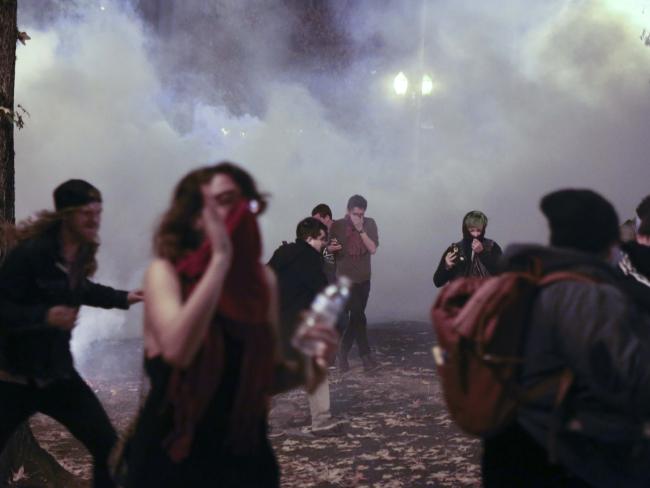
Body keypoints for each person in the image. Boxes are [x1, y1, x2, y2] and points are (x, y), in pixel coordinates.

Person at [125, 162, 337, 487]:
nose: (241, 215)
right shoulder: (167, 274)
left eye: (247, 205)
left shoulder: (258, 278)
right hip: (180, 456)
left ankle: (318, 419)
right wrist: (221, 261)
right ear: (193, 214)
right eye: (224, 203)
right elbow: (177, 351)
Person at [482, 189, 650, 488]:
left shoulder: (524, 281)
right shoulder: (588, 296)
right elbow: (628, 380)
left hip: (507, 446)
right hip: (559, 456)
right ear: (607, 243)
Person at [0, 179, 143, 488]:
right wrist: (45, 316)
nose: (94, 220)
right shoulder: (28, 255)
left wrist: (123, 298)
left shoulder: (76, 253)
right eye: (85, 213)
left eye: (98, 212)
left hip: (57, 375)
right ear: (65, 216)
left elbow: (81, 289)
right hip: (13, 378)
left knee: (110, 451)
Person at [268, 217, 343, 435]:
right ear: (309, 238)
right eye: (321, 240)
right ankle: (321, 422)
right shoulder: (310, 259)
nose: (323, 244)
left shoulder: (283, 253)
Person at [329, 194, 379, 373]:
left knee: (356, 318)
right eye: (356, 214)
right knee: (358, 314)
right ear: (348, 211)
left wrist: (361, 229)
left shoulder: (370, 224)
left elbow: (372, 249)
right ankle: (365, 355)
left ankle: (342, 353)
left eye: (362, 214)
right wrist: (329, 249)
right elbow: (328, 255)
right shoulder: (337, 226)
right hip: (344, 281)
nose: (359, 217)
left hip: (364, 280)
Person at [433, 210, 502, 287]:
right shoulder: (455, 249)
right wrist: (446, 267)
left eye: (479, 230)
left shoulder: (492, 246)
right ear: (465, 229)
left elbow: (502, 274)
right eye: (472, 230)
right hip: (462, 297)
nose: (475, 235)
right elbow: (437, 282)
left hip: (487, 296)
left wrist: (482, 253)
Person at [311, 203, 342, 284]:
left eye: (318, 220)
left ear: (327, 218)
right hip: (324, 279)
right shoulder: (318, 234)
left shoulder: (342, 230)